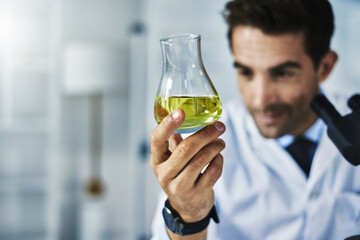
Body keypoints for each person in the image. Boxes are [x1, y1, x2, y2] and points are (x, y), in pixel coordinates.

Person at [149, 0, 360, 239]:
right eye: (246, 72)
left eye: (282, 74)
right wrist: (188, 215)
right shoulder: (204, 144)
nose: (261, 100)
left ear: (324, 67)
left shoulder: (355, 122)